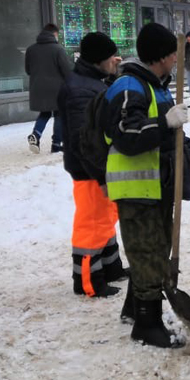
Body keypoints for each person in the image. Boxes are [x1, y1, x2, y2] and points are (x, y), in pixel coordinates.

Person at [102, 23, 190, 348]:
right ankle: (147, 324)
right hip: (137, 188)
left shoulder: (157, 87)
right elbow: (127, 134)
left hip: (156, 185)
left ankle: (132, 309)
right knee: (149, 252)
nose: (177, 61)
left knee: (152, 250)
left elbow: (172, 136)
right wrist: (164, 121)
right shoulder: (129, 87)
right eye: (174, 55)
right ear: (164, 56)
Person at [58, 32, 126, 298]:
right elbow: (81, 139)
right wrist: (101, 176)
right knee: (92, 223)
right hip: (89, 170)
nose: (116, 60)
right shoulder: (79, 90)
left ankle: (111, 269)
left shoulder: (91, 82)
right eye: (112, 56)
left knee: (106, 219)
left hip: (98, 167)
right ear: (100, 59)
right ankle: (88, 281)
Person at [25, 23, 72, 153]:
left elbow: (28, 70)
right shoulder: (58, 49)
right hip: (57, 88)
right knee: (59, 114)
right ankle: (56, 144)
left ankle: (36, 134)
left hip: (37, 88)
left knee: (44, 113)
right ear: (55, 34)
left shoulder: (31, 49)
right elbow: (66, 70)